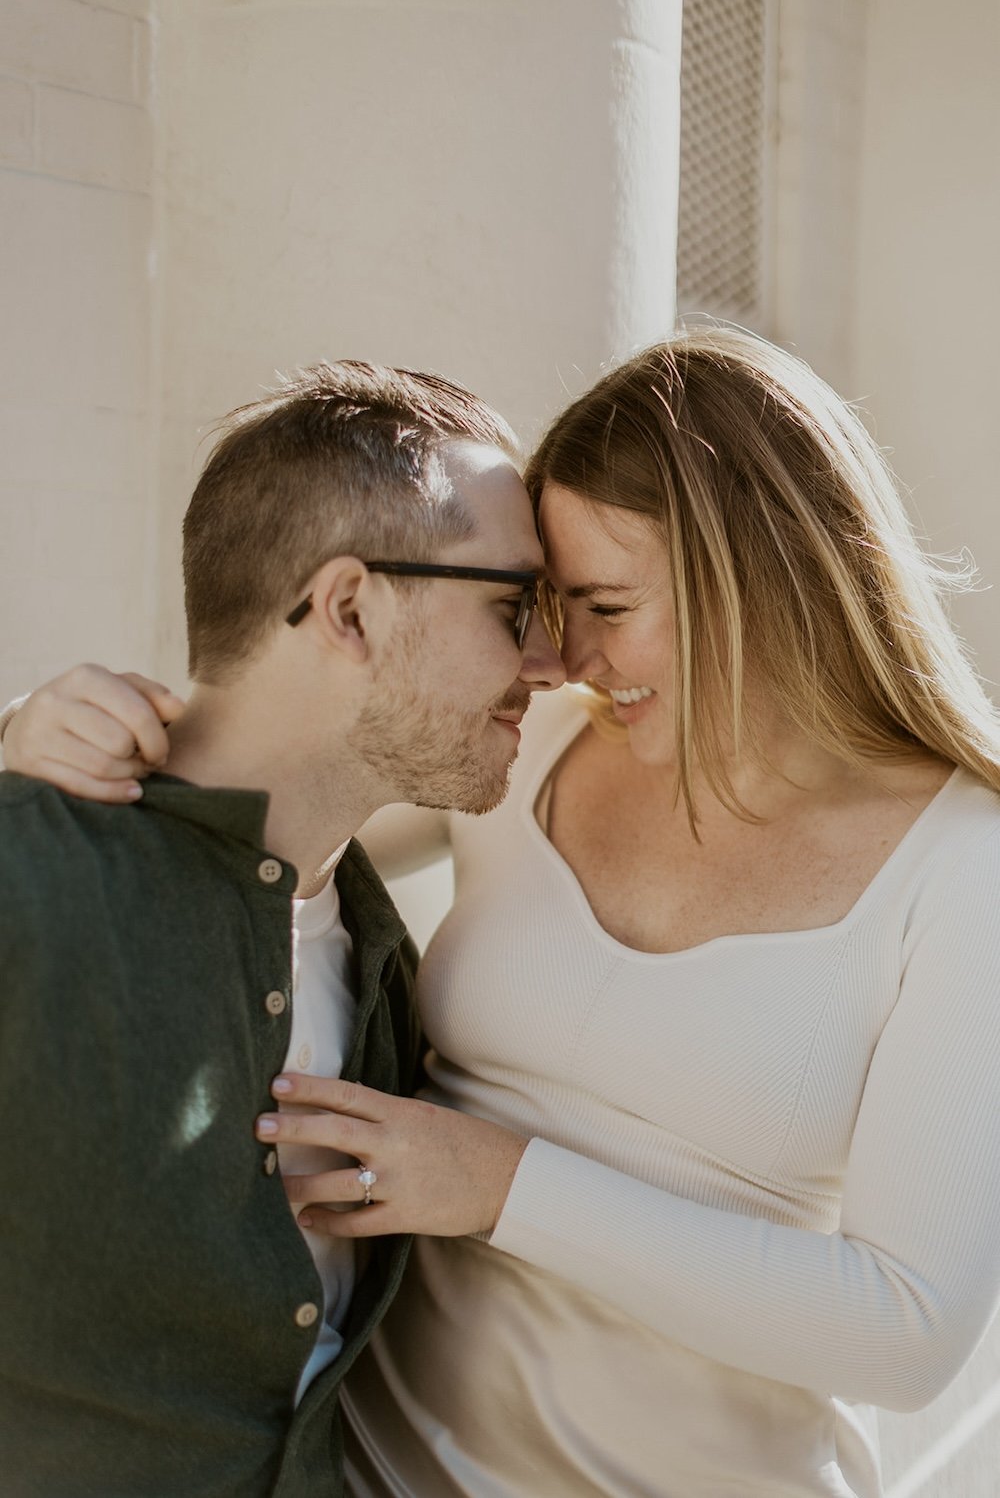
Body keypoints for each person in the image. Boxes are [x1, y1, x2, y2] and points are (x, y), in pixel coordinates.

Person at [6, 328, 1000, 1498]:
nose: (564, 658)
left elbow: (905, 1332)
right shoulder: (537, 753)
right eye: (537, 605)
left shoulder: (962, 867)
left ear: (761, 581)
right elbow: (267, 798)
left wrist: (501, 1184)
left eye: (603, 604)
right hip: (379, 1473)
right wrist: (46, 731)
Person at [0, 360, 564, 1496]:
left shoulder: (384, 960)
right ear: (350, 608)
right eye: (514, 608)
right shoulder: (31, 884)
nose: (549, 665)